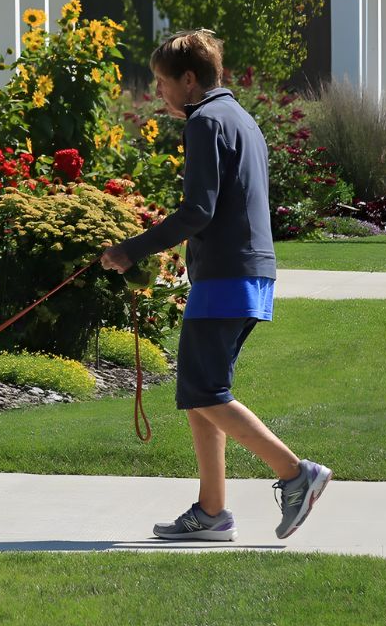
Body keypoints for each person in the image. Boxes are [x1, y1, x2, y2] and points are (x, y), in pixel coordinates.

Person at [99, 30, 330, 541]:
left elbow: (197, 211)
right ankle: (211, 512)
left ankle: (297, 475)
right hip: (246, 270)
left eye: (162, 82)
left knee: (203, 390)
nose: (159, 93)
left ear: (188, 79)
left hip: (227, 273)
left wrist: (129, 250)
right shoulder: (241, 118)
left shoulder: (205, 121)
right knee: (200, 391)